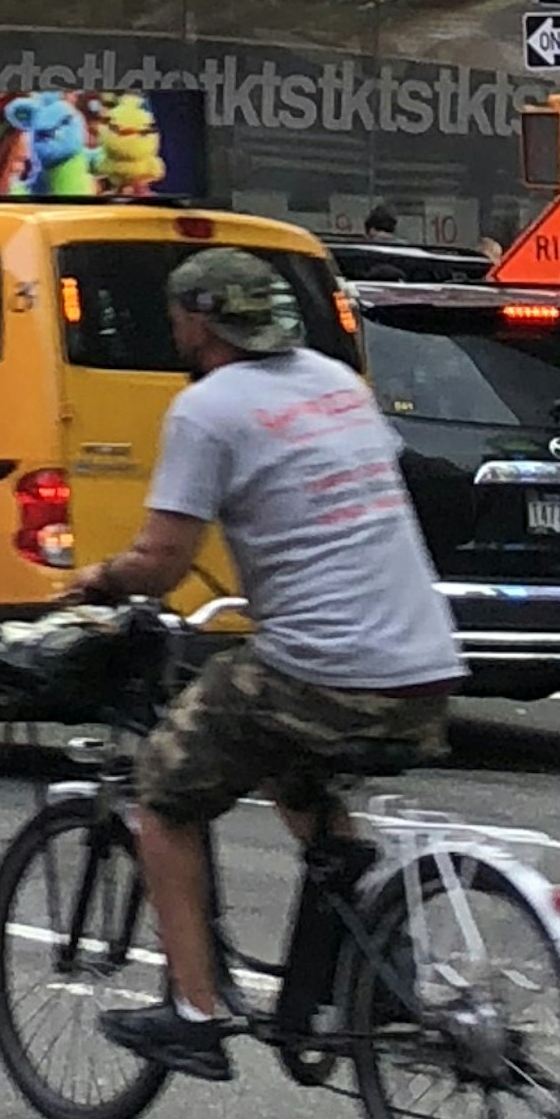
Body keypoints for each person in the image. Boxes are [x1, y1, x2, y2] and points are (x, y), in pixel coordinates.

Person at [77, 246, 467, 1076]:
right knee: (295, 768)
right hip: (426, 664)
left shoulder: (209, 408)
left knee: (164, 793)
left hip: (325, 669)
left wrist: (95, 581)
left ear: (195, 322)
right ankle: (365, 957)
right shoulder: (339, 384)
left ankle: (195, 1011)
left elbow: (163, 561)